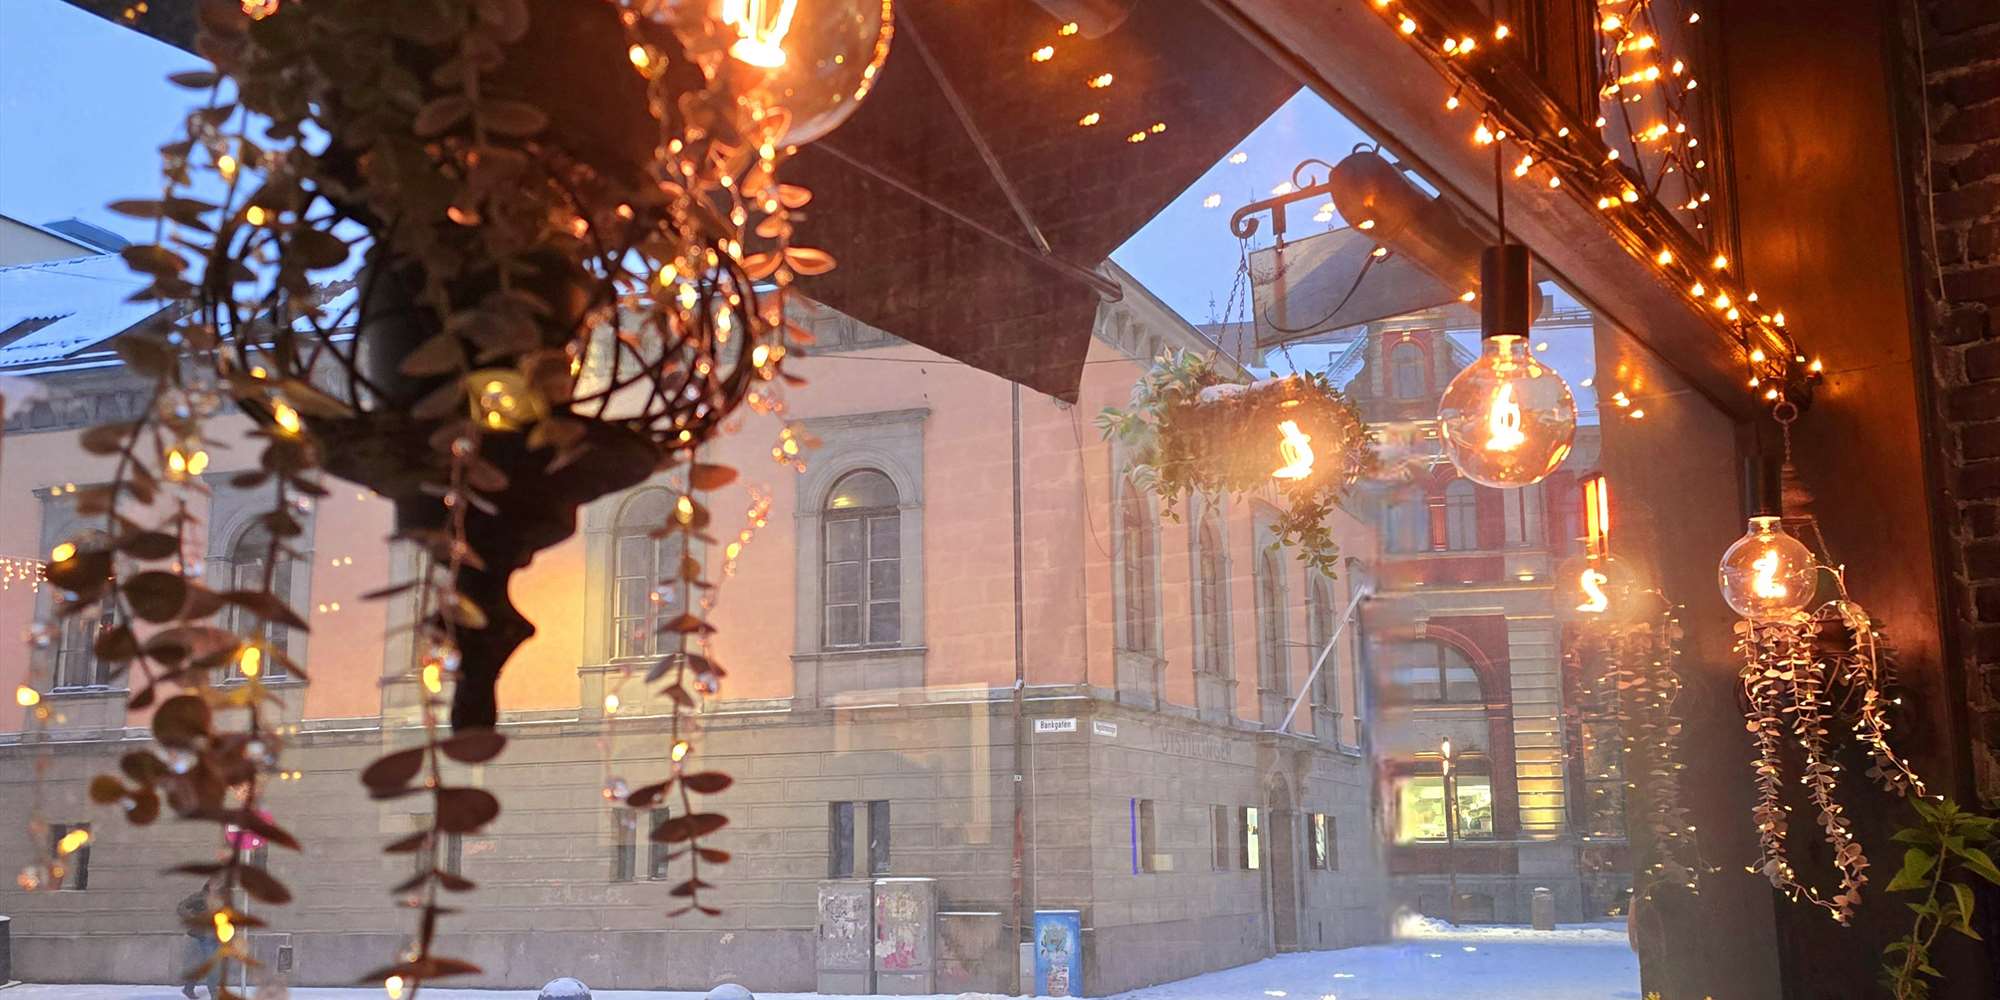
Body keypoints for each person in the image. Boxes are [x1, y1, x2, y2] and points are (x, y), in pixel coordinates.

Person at [176, 875, 225, 999]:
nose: (216, 886)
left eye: (219, 884)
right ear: (209, 885)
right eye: (214, 883)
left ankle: (188, 988)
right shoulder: (199, 897)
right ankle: (214, 994)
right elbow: (181, 907)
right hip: (204, 936)